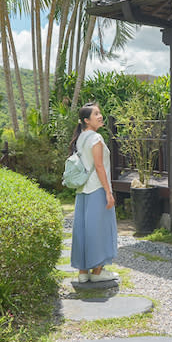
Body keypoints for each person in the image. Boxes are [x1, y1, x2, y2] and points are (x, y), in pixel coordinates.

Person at [70, 102, 118, 282]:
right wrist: (108, 192)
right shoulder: (96, 138)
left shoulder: (80, 138)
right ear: (86, 120)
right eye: (96, 114)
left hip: (82, 190)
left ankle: (83, 273)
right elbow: (99, 167)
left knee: (83, 229)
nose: (100, 116)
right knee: (100, 230)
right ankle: (97, 272)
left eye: (99, 113)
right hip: (97, 189)